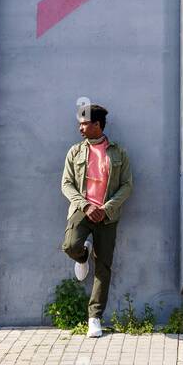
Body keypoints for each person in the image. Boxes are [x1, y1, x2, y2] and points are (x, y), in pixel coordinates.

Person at [60, 102, 133, 338]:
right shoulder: (75, 152)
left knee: (103, 266)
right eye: (79, 124)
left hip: (108, 214)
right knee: (71, 245)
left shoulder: (118, 152)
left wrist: (107, 207)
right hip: (83, 209)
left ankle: (94, 317)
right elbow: (66, 184)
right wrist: (86, 205)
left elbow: (127, 185)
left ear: (97, 125)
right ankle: (82, 257)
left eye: (84, 124)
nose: (80, 128)